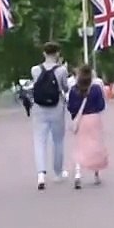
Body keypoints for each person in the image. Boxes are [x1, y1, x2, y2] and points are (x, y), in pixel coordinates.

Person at [29, 42, 71, 190]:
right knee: (58, 141)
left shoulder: (35, 70)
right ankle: (58, 172)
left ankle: (41, 174)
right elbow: (65, 88)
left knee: (39, 141)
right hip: (56, 107)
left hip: (39, 108)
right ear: (57, 53)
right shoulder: (61, 70)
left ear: (44, 53)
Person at [67, 64, 108, 188]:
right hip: (94, 118)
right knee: (95, 145)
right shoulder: (95, 88)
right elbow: (101, 105)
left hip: (81, 120)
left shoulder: (74, 89)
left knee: (80, 146)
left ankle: (78, 173)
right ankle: (96, 174)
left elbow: (70, 107)